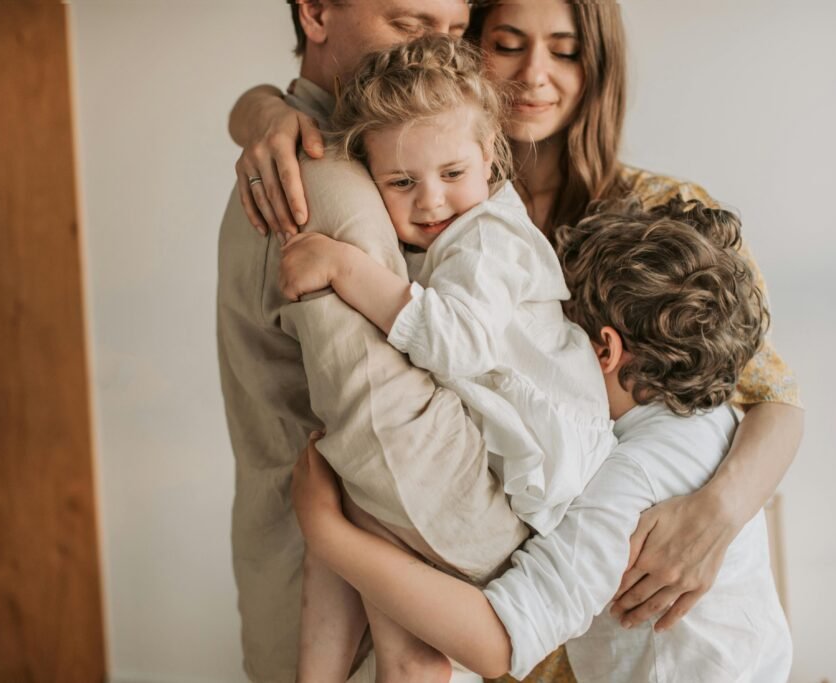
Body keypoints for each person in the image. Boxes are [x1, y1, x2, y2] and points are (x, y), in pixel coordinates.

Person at [231, 1, 803, 678]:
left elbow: (773, 398)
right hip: (516, 600)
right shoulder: (415, 181)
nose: (534, 74)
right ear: (467, 53)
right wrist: (256, 108)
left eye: (565, 50)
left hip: (567, 585)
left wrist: (718, 512)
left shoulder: (654, 216)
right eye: (507, 44)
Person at [290, 197, 795, 681]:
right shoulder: (718, 420)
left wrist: (328, 534)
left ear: (604, 350)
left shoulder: (629, 480)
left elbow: (498, 642)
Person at [278, 34, 616, 681]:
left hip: (546, 481)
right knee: (347, 490)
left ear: (489, 153)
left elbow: (454, 340)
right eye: (401, 182)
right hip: (513, 460)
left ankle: (389, 664)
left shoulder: (489, 239)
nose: (430, 201)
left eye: (452, 174)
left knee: (359, 492)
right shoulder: (453, 230)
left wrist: (345, 267)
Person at [216, 2, 532, 681]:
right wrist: (545, 556)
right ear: (316, 12)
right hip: (360, 621)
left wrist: (255, 105)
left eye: (456, 33)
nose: (438, 54)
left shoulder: (380, 156)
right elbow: (395, 448)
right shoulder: (329, 184)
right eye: (411, 26)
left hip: (316, 587)